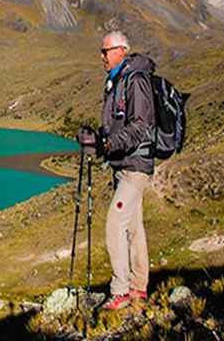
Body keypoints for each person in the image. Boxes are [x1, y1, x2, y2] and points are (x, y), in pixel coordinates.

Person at [77, 30, 156, 310]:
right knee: (134, 228)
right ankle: (138, 288)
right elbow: (117, 125)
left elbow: (139, 126)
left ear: (121, 50)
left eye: (105, 51)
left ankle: (120, 291)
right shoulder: (116, 82)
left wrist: (107, 144)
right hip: (122, 164)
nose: (101, 57)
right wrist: (97, 138)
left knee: (114, 222)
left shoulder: (135, 81)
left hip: (136, 165)